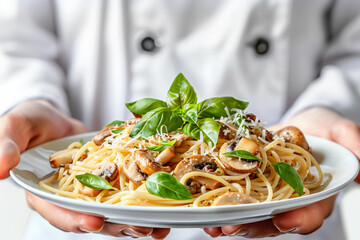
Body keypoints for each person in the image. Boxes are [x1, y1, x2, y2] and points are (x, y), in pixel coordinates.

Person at [0, 0, 359, 239]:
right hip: (91, 227)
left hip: (283, 223)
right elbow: (16, 41)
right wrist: (32, 99)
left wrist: (332, 105)